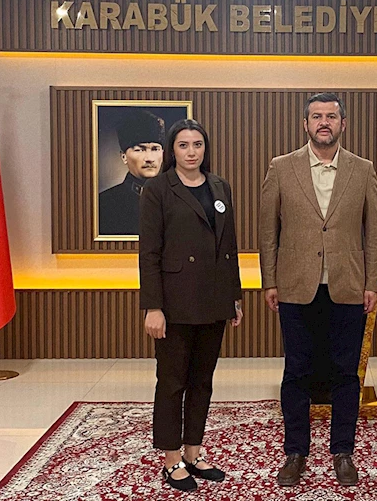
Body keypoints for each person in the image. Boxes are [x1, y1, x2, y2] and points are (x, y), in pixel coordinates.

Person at [259, 93, 377, 487]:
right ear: (305, 124)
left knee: (346, 374)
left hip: (348, 286)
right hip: (296, 286)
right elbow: (268, 231)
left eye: (331, 116)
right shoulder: (281, 167)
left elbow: (373, 232)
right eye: (316, 116)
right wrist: (269, 280)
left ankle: (343, 452)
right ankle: (295, 452)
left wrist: (372, 282)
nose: (324, 122)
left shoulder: (363, 169)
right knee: (296, 371)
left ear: (343, 123)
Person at [139, 119, 243, 492]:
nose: (191, 151)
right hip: (174, 303)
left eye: (197, 144)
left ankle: (193, 453)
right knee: (172, 382)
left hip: (214, 299)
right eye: (183, 145)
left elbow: (228, 246)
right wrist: (153, 306)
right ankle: (171, 460)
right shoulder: (157, 189)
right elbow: (149, 253)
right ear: (172, 150)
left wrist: (234, 295)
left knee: (202, 381)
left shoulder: (219, 186)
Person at [99, 109, 165, 235]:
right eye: (139, 150)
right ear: (123, 157)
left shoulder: (179, 201)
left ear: (163, 153)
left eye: (155, 149)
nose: (149, 158)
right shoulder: (104, 204)